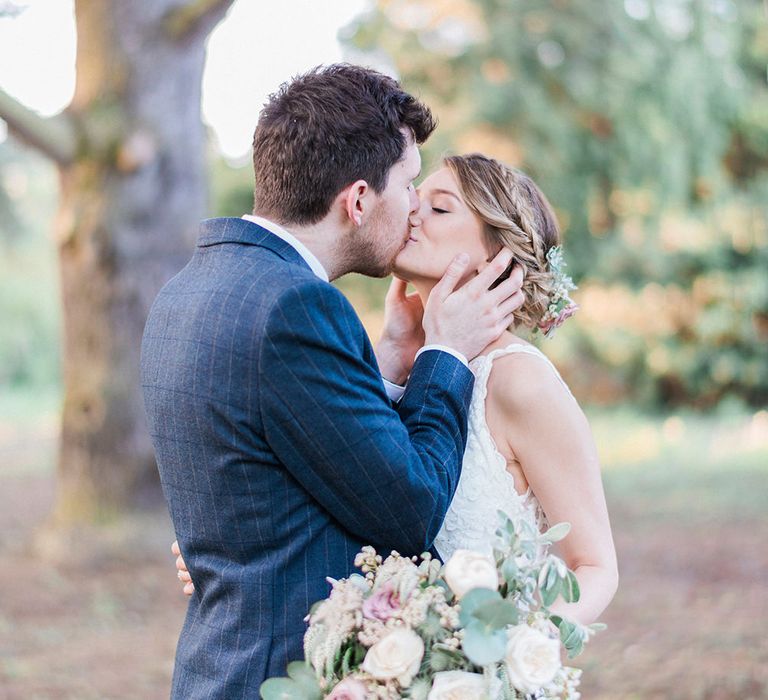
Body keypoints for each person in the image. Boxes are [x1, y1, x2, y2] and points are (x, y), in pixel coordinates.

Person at [140, 64, 525, 698]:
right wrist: (447, 352)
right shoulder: (297, 308)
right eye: (407, 186)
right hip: (289, 674)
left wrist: (396, 357)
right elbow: (410, 509)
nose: (412, 212)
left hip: (215, 669)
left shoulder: (187, 291)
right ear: (358, 200)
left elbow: (277, 459)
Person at [176, 153, 619, 626]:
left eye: (440, 207)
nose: (412, 211)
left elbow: (594, 566)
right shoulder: (401, 366)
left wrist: (515, 654)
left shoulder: (519, 381)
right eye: (415, 195)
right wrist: (231, 539)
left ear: (499, 254)